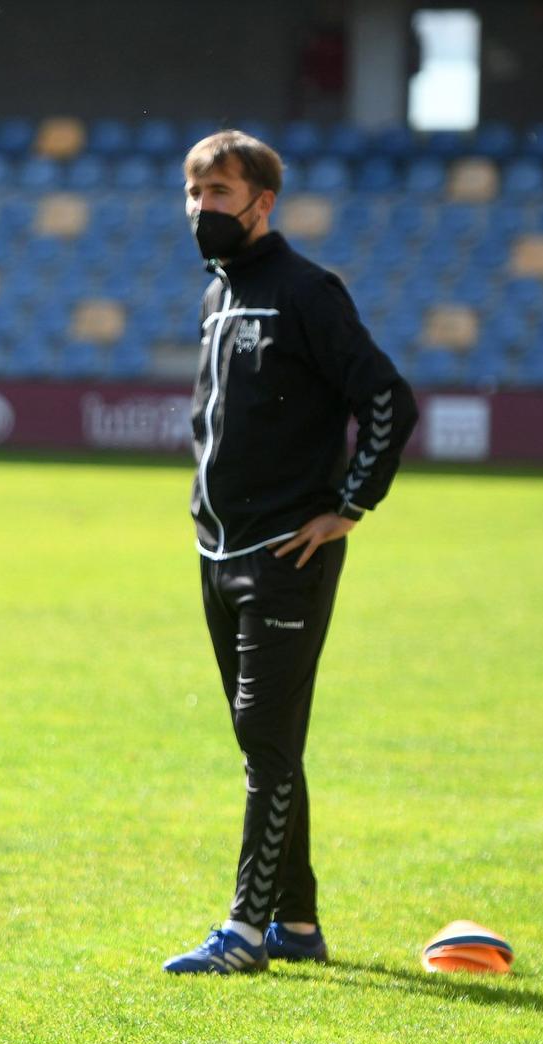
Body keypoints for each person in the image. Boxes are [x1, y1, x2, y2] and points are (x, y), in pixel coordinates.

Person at [162, 130, 417, 974]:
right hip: (216, 550)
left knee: (266, 741)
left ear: (262, 203)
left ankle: (242, 932)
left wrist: (350, 506)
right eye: (195, 194)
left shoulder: (309, 291)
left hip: (285, 552)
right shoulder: (215, 295)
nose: (203, 210)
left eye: (220, 194)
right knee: (261, 738)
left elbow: (386, 397)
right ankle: (298, 926)